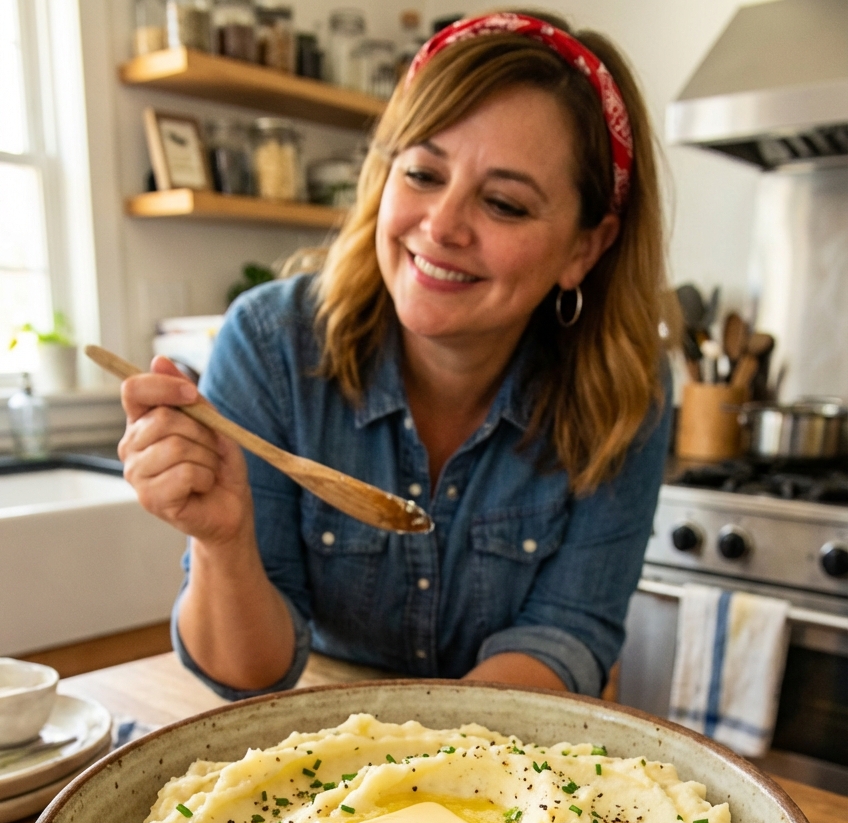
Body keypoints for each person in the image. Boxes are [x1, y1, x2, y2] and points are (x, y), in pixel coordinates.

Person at [119, 12, 672, 701]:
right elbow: (247, 678)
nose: (440, 226)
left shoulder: (626, 391)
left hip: (512, 749)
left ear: (585, 248)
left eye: (503, 203)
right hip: (319, 743)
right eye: (422, 172)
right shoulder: (271, 344)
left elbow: (564, 636)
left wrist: (421, 765)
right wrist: (222, 542)